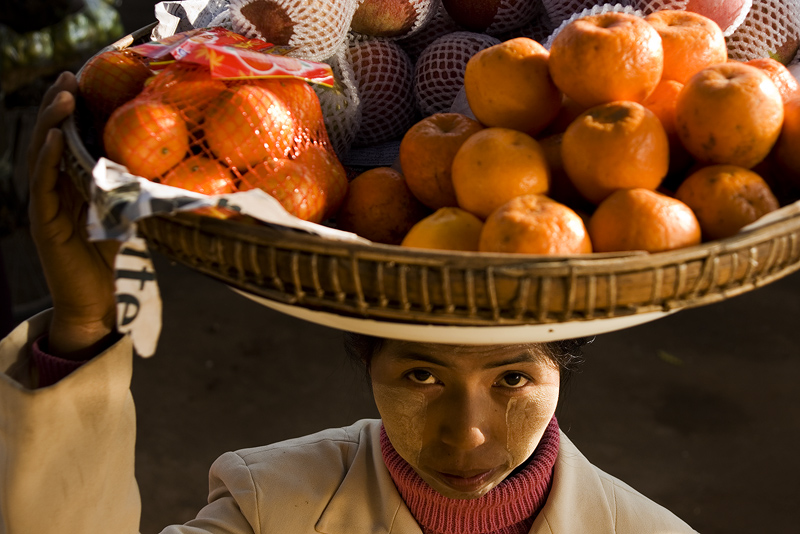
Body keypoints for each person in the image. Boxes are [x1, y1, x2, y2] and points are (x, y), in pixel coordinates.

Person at [0, 72, 698, 533]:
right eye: (421, 375)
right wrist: (83, 326)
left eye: (512, 377)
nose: (467, 435)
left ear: (564, 369)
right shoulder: (270, 508)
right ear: (365, 359)